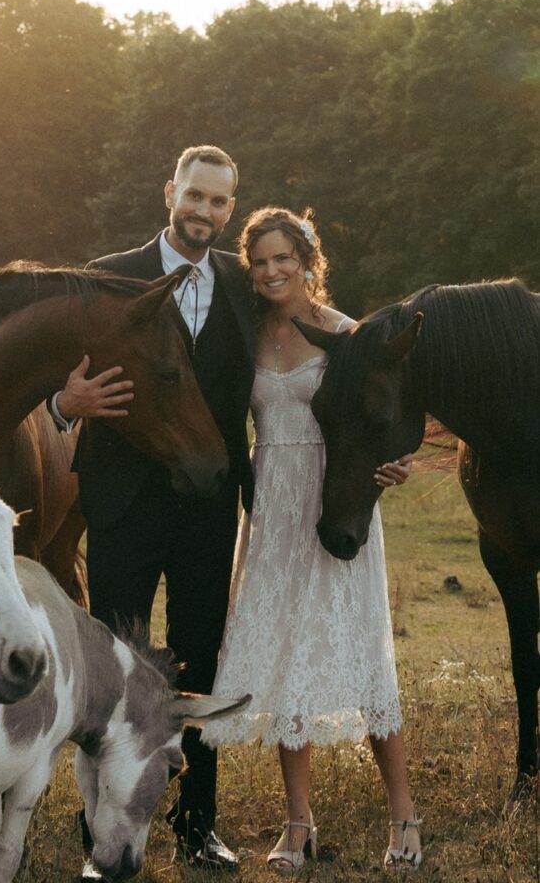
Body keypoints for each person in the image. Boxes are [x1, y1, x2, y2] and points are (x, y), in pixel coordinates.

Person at [50, 145, 257, 876]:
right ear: (170, 192)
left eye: (219, 201)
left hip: (208, 506)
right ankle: (99, 830)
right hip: (122, 503)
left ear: (230, 209)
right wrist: (64, 402)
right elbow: (51, 372)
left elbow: (304, 340)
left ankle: (198, 822)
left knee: (200, 654)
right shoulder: (107, 275)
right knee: (115, 667)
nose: (205, 210)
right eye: (195, 195)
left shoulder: (244, 284)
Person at [201, 206, 422, 874]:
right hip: (271, 506)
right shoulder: (248, 335)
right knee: (287, 659)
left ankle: (404, 815)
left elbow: (389, 413)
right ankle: (298, 824)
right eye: (259, 262)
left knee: (363, 656)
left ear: (306, 262)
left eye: (282, 259)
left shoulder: (348, 334)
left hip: (333, 501)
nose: (271, 272)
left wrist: (399, 462)